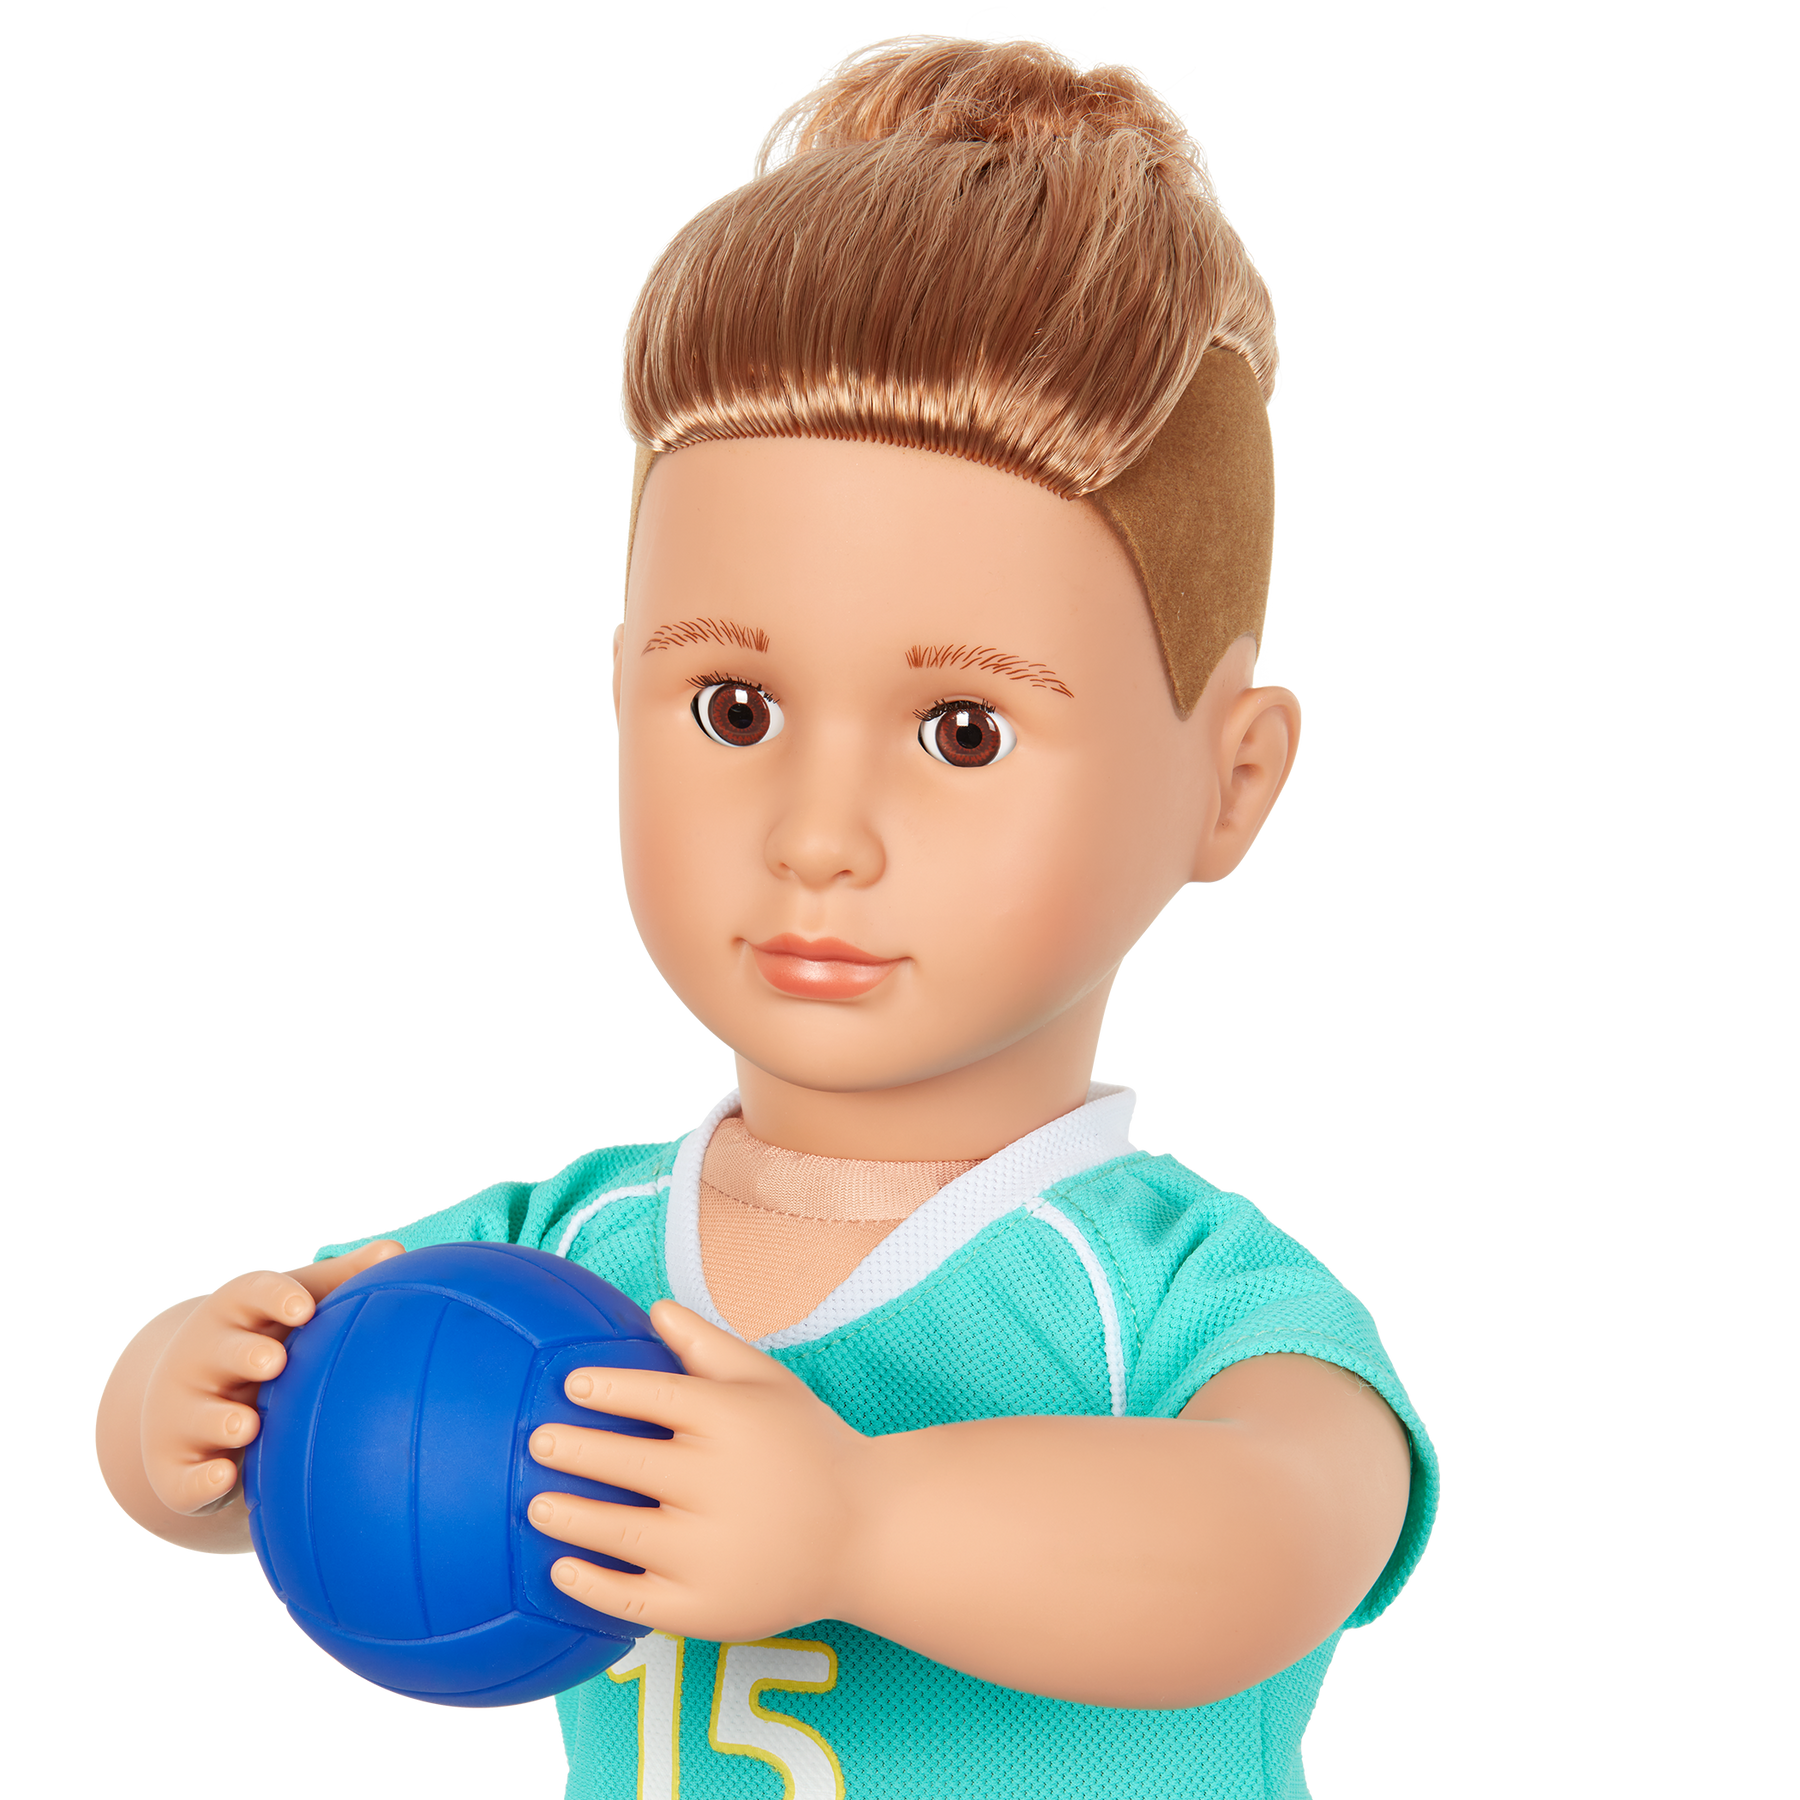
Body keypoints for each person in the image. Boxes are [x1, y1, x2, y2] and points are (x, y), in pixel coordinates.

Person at [93, 29, 1441, 1799]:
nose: (817, 836)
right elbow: (280, 1419)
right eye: (734, 710)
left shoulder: (1176, 1297)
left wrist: (857, 1524)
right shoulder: (555, 1258)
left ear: (1231, 783)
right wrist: (186, 1409)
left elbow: (1277, 1544)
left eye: (963, 732)